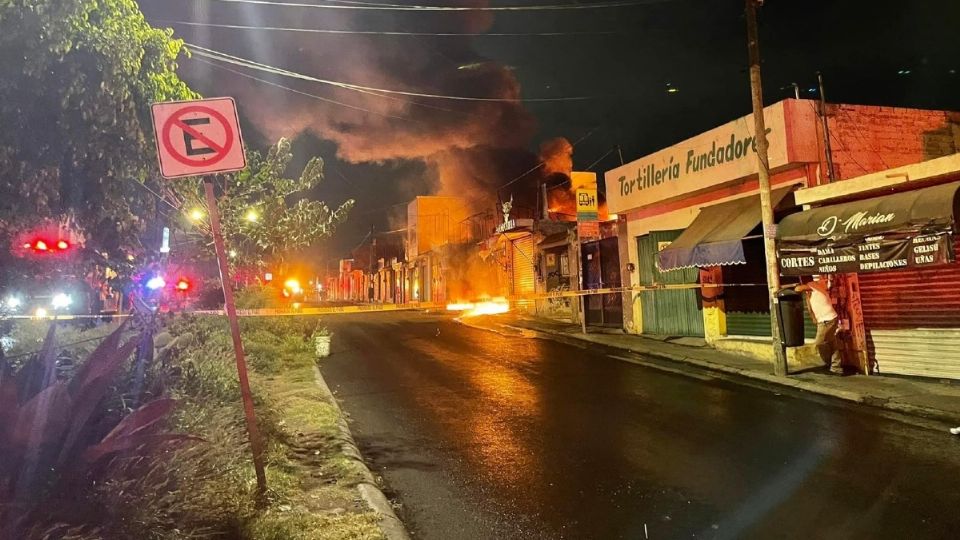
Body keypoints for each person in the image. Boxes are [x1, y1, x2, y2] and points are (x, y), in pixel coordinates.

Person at [795, 277, 843, 375]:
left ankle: (829, 364)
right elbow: (810, 306)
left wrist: (795, 285)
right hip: (829, 318)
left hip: (827, 320)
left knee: (819, 343)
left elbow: (797, 289)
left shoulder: (812, 285)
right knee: (831, 343)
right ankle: (836, 367)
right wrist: (813, 317)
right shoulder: (814, 287)